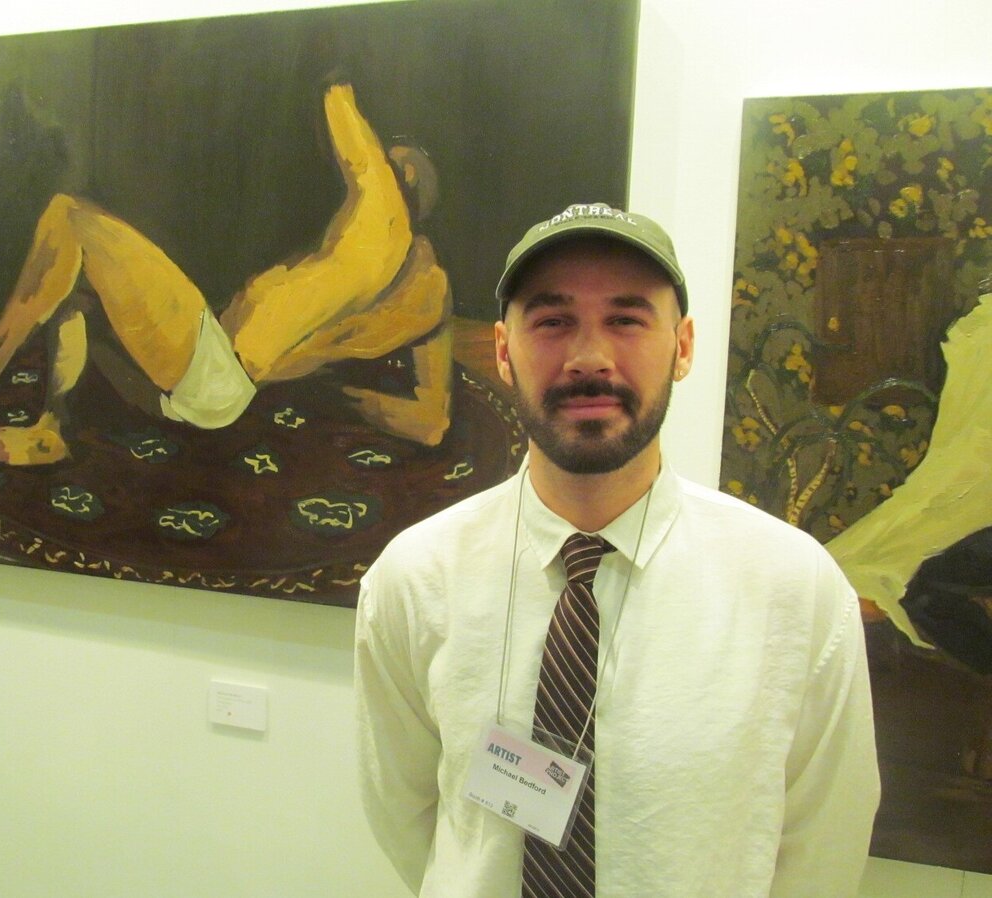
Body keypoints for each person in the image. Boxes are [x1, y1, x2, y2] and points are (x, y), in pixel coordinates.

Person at [353, 203, 880, 897]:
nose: (589, 359)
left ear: (683, 347)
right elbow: (405, 813)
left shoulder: (794, 587)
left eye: (627, 320)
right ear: (504, 352)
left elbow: (824, 844)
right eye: (552, 321)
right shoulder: (415, 576)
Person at [0, 82, 453, 465]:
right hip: (213, 392)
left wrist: (331, 68)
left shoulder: (383, 216)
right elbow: (429, 424)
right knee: (76, 284)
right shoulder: (429, 293)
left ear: (402, 176)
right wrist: (331, 393)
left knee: (70, 217)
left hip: (214, 370)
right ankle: (51, 428)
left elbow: (336, 99)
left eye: (388, 157)